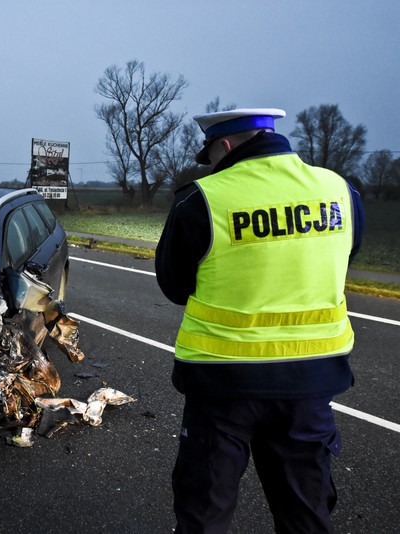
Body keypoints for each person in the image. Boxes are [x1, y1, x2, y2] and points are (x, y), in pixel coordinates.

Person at [155, 108, 364, 533]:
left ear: (226, 146)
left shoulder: (201, 198)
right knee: (306, 514)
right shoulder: (341, 191)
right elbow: (346, 258)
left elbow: (175, 287)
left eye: (211, 155)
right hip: (309, 384)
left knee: (205, 513)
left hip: (222, 386)